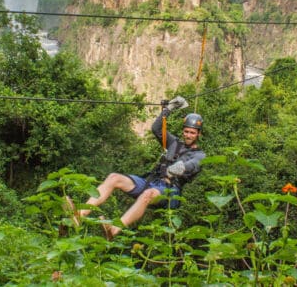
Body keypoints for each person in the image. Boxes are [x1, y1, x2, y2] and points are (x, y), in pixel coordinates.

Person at [68, 96, 206, 239]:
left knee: (147, 195)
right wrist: (167, 110)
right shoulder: (173, 143)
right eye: (186, 131)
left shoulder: (200, 155)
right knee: (114, 178)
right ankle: (80, 214)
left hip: (170, 191)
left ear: (198, 134)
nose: (188, 135)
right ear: (183, 131)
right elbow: (156, 129)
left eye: (192, 132)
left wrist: (179, 168)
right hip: (152, 182)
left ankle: (114, 230)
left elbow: (192, 165)